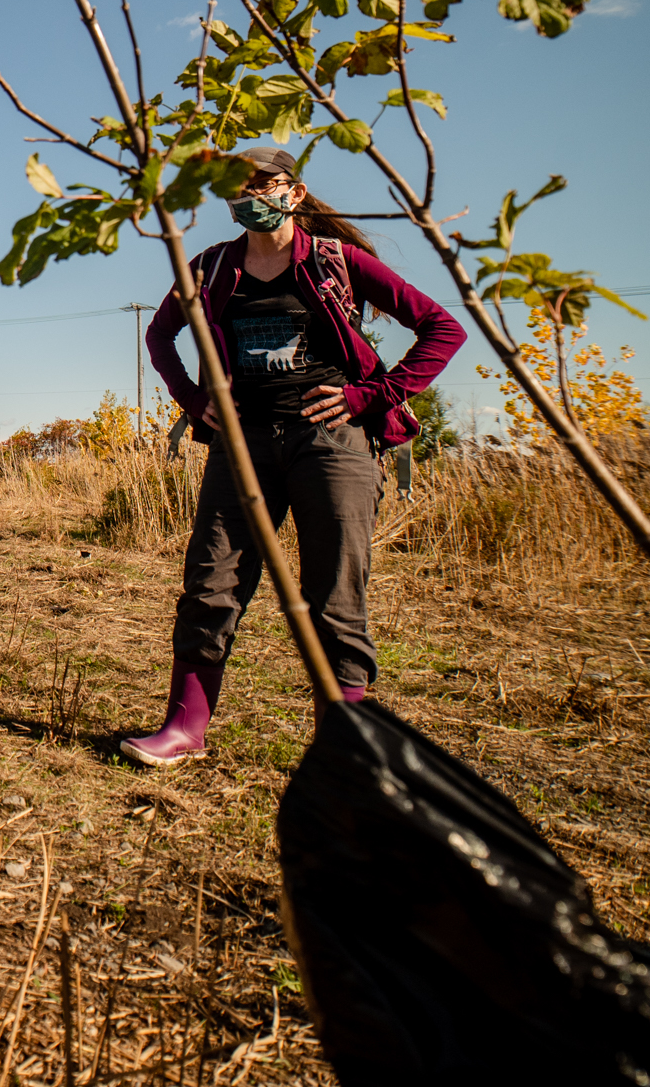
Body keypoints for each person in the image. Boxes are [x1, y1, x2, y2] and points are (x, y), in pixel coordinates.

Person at [121, 145, 466, 767]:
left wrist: (372, 396)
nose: (250, 195)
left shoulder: (339, 262)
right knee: (210, 582)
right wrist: (191, 397)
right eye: (238, 186)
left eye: (264, 184)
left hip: (332, 446)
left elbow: (442, 328)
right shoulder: (213, 267)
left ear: (294, 193)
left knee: (334, 595)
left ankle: (346, 745)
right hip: (241, 444)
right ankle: (183, 728)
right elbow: (160, 332)